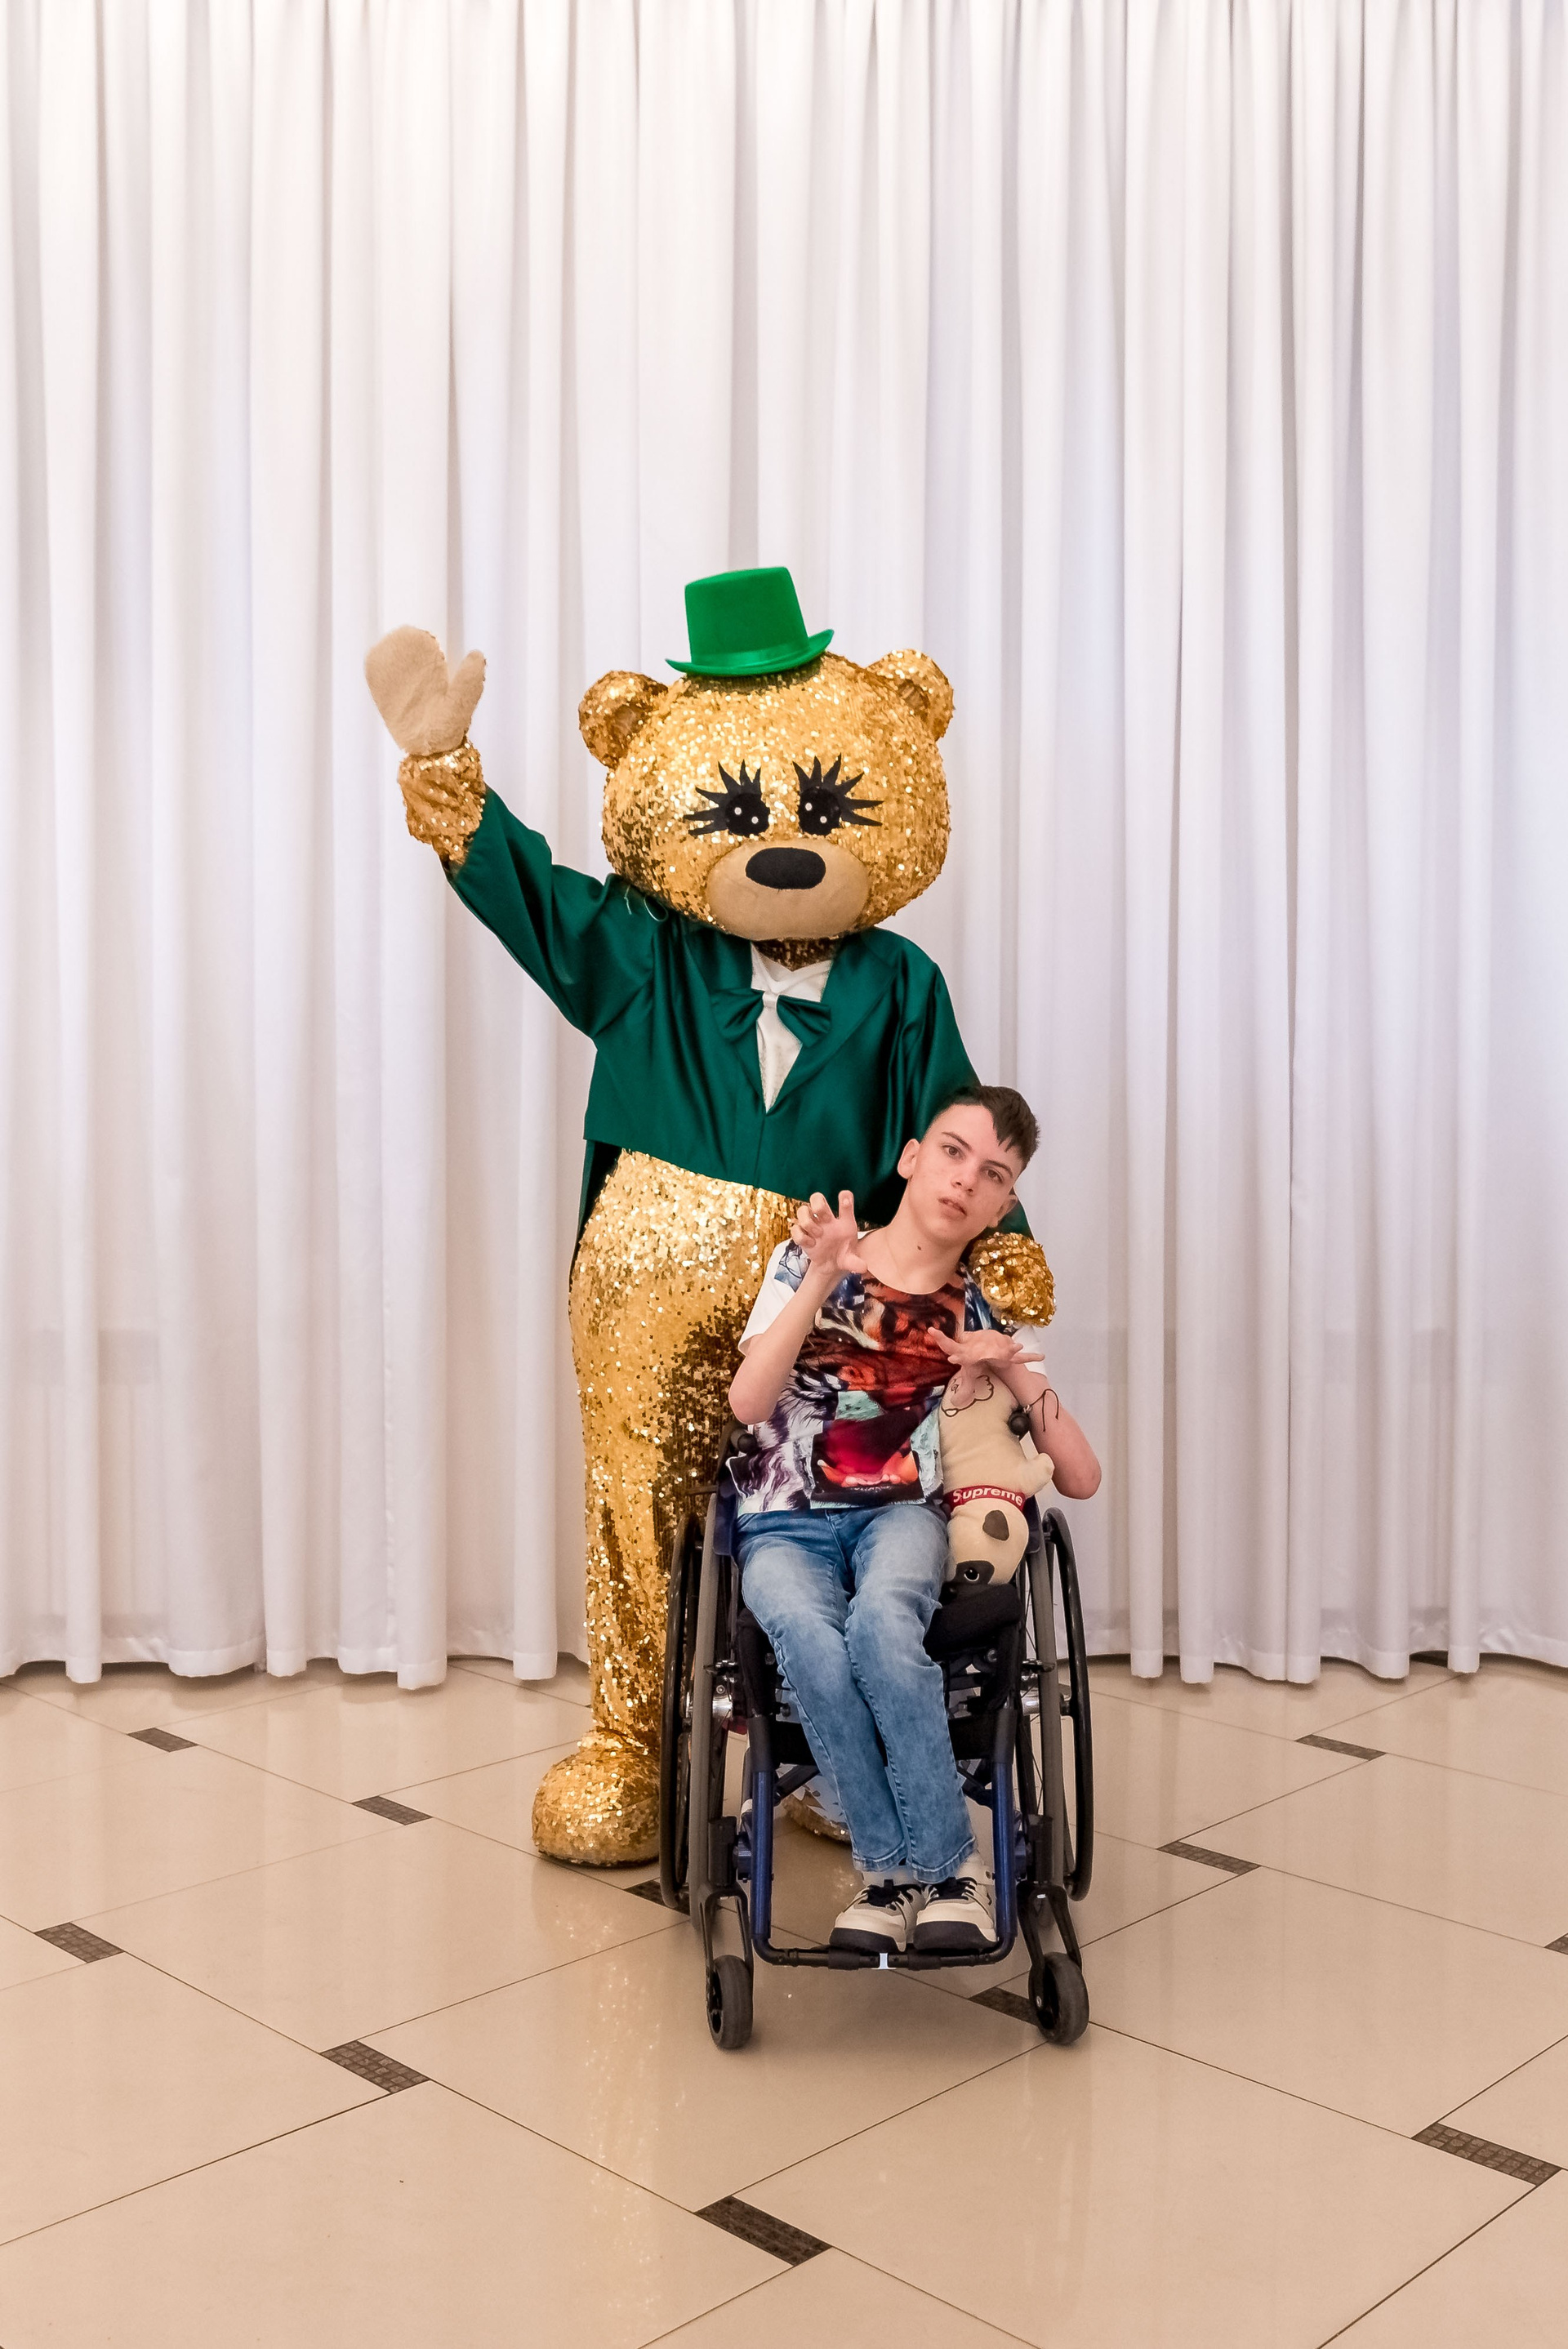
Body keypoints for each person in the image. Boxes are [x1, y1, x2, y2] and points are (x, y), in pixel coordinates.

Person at [726, 1083, 1100, 1954]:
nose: (966, 1179)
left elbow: (1080, 1476)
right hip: (783, 1514)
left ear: (1003, 1205)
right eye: (954, 1151)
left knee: (883, 1625)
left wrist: (1011, 1366)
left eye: (993, 1174)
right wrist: (823, 1275)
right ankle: (910, 1869)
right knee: (809, 1637)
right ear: (911, 1157)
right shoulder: (807, 1257)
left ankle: (931, 1873)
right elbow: (748, 1400)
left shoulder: (982, 1309)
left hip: (900, 1512)